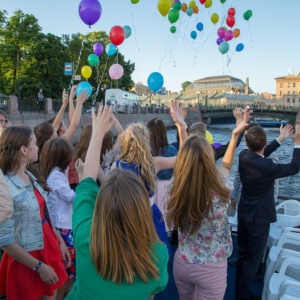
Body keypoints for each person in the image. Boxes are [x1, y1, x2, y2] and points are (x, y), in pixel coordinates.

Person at [66, 106, 168, 300]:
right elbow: (156, 287)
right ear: (141, 209)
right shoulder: (158, 254)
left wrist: (96, 135)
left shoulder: (85, 236)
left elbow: (88, 178)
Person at [166, 108, 252, 300]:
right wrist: (235, 134)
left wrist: (182, 126)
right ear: (209, 158)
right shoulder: (221, 189)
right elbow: (227, 165)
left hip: (183, 262)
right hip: (212, 267)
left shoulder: (177, 186)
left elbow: (184, 157)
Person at [0, 126, 71, 300]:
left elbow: (43, 212)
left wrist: (58, 239)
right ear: (24, 150)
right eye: (34, 143)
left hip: (47, 245)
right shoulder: (5, 186)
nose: (38, 146)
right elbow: (4, 240)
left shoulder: (30, 174)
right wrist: (39, 267)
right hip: (27, 256)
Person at [235, 124, 300, 300]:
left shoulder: (244, 156)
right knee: (253, 260)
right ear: (263, 143)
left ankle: (239, 290)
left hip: (244, 213)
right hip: (259, 219)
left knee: (242, 253)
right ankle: (243, 296)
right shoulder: (267, 166)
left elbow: (261, 152)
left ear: (247, 144)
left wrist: (281, 138)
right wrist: (297, 143)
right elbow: (294, 167)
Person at [40, 138, 76, 300]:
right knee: (67, 273)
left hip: (61, 226)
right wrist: (83, 180)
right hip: (63, 228)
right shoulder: (56, 176)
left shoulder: (53, 174)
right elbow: (73, 198)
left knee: (66, 273)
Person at [147, 118, 177, 232]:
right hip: (166, 189)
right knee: (165, 223)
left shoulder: (145, 151)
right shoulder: (171, 150)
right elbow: (177, 172)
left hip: (149, 189)